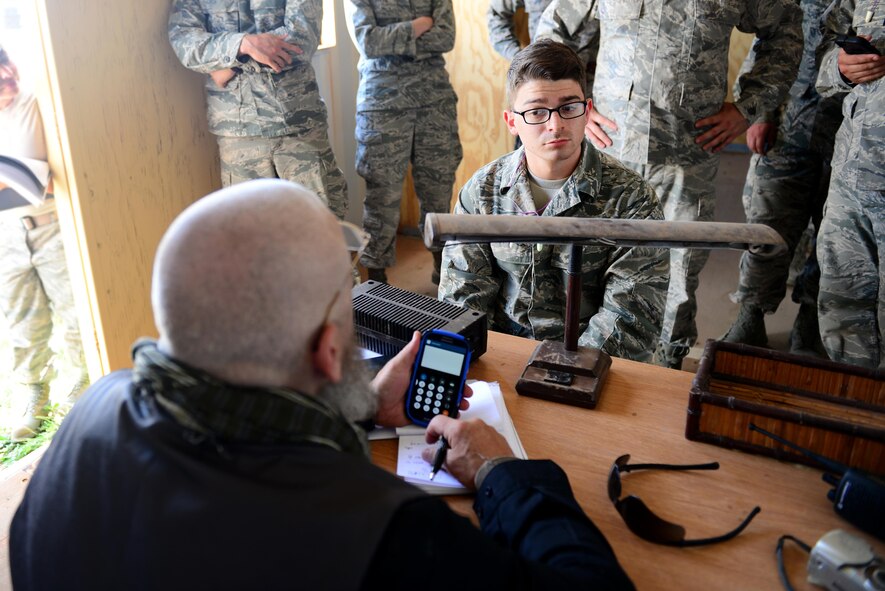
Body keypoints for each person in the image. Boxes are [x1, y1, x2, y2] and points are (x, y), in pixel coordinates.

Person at [10, 179, 636, 590]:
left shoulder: (90, 411)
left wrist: (357, 406)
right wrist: (504, 475)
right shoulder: (382, 535)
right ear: (331, 349)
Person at [536, 0, 803, 368]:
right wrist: (572, 105)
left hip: (687, 157)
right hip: (607, 151)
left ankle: (666, 369)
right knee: (585, 263)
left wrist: (747, 108)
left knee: (677, 276)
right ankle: (579, 364)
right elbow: (553, 32)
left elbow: (785, 29)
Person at [438, 40, 669, 363]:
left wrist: (560, 370)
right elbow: (462, 296)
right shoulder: (483, 191)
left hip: (594, 366)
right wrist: (480, 362)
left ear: (587, 111)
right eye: (536, 111)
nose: (555, 124)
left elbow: (630, 318)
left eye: (568, 107)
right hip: (502, 358)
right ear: (511, 121)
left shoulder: (632, 199)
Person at [722, 0, 843, 357]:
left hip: (853, 133)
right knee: (767, 219)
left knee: (835, 231)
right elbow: (771, 40)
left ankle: (812, 316)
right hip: (790, 121)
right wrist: (760, 111)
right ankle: (751, 313)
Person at [168, 0, 347, 219]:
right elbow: (183, 39)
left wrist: (230, 64)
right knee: (251, 238)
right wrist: (243, 45)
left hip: (297, 125)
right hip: (237, 131)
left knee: (321, 230)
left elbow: (302, 38)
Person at [0, 45, 89, 441]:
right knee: (22, 319)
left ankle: (81, 387)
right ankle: (33, 392)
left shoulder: (40, 101)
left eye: (6, 69)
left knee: (74, 311)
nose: (6, 80)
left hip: (52, 223)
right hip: (7, 232)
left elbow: (53, 176)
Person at [350, 0, 462, 285]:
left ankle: (442, 266)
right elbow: (369, 41)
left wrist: (392, 36)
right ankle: (376, 278)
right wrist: (417, 26)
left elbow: (445, 37)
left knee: (438, 189)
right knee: (381, 195)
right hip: (381, 102)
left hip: (434, 101)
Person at [814, 0, 885, 369]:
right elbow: (825, 51)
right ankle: (853, 416)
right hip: (852, 178)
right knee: (842, 310)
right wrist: (840, 68)